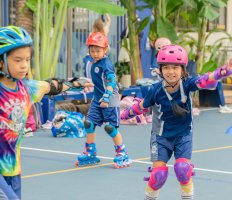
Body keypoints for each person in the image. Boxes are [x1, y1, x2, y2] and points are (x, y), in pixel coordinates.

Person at [121, 44, 232, 200]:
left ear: (182, 69)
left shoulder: (187, 84)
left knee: (182, 169)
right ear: (160, 70)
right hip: (161, 138)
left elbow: (205, 80)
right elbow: (141, 106)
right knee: (158, 175)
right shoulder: (155, 90)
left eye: (175, 67)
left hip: (183, 135)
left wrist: (222, 72)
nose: (171, 72)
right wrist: (125, 114)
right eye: (166, 67)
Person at [0, 25, 93, 200]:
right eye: (17, 60)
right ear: (1, 62)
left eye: (27, 60)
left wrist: (76, 82)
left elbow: (52, 86)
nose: (24, 65)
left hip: (13, 169)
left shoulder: (27, 88)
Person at [76, 32, 131, 168]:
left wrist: (106, 97)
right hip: (97, 99)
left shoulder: (106, 64)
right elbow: (100, 81)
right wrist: (87, 84)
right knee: (89, 123)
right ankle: (90, 153)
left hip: (110, 99)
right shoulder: (93, 63)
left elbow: (112, 83)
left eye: (98, 51)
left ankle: (122, 153)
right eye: (92, 50)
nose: (95, 53)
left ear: (105, 50)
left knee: (110, 128)